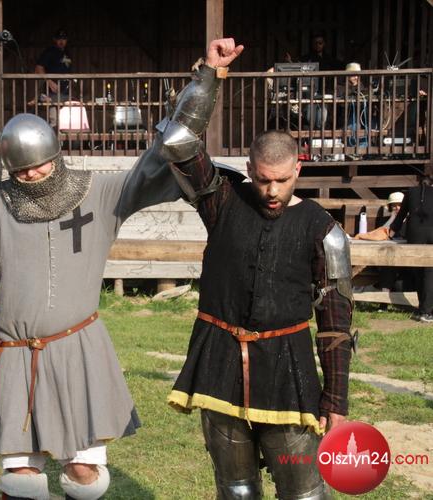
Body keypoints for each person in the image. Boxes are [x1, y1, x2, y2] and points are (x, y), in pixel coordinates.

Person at [0, 73, 220, 497]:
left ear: (56, 155)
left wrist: (205, 83)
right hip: (17, 358)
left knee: (84, 473)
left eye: (39, 165)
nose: (31, 175)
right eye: (21, 169)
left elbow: (156, 163)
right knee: (20, 478)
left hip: (78, 351)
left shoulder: (97, 194)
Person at [165, 37, 354, 500]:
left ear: (298, 170)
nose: (272, 191)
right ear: (249, 169)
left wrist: (336, 399)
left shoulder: (322, 230)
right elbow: (179, 141)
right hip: (220, 361)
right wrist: (210, 74)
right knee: (236, 489)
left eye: (282, 180)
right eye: (264, 180)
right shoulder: (222, 200)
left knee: (304, 492)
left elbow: (335, 323)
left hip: (288, 370)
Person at [390, 176, 433, 322]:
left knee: (420, 272)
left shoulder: (410, 192)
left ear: (419, 183)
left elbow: (401, 216)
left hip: (415, 235)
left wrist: (390, 232)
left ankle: (424, 309)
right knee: (429, 273)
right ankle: (427, 311)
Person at [35, 28, 72, 103]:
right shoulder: (50, 52)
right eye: (59, 38)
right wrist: (49, 81)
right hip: (52, 93)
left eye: (64, 38)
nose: (61, 41)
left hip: (66, 93)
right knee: (53, 110)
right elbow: (38, 68)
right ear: (54, 39)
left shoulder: (67, 53)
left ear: (67, 40)